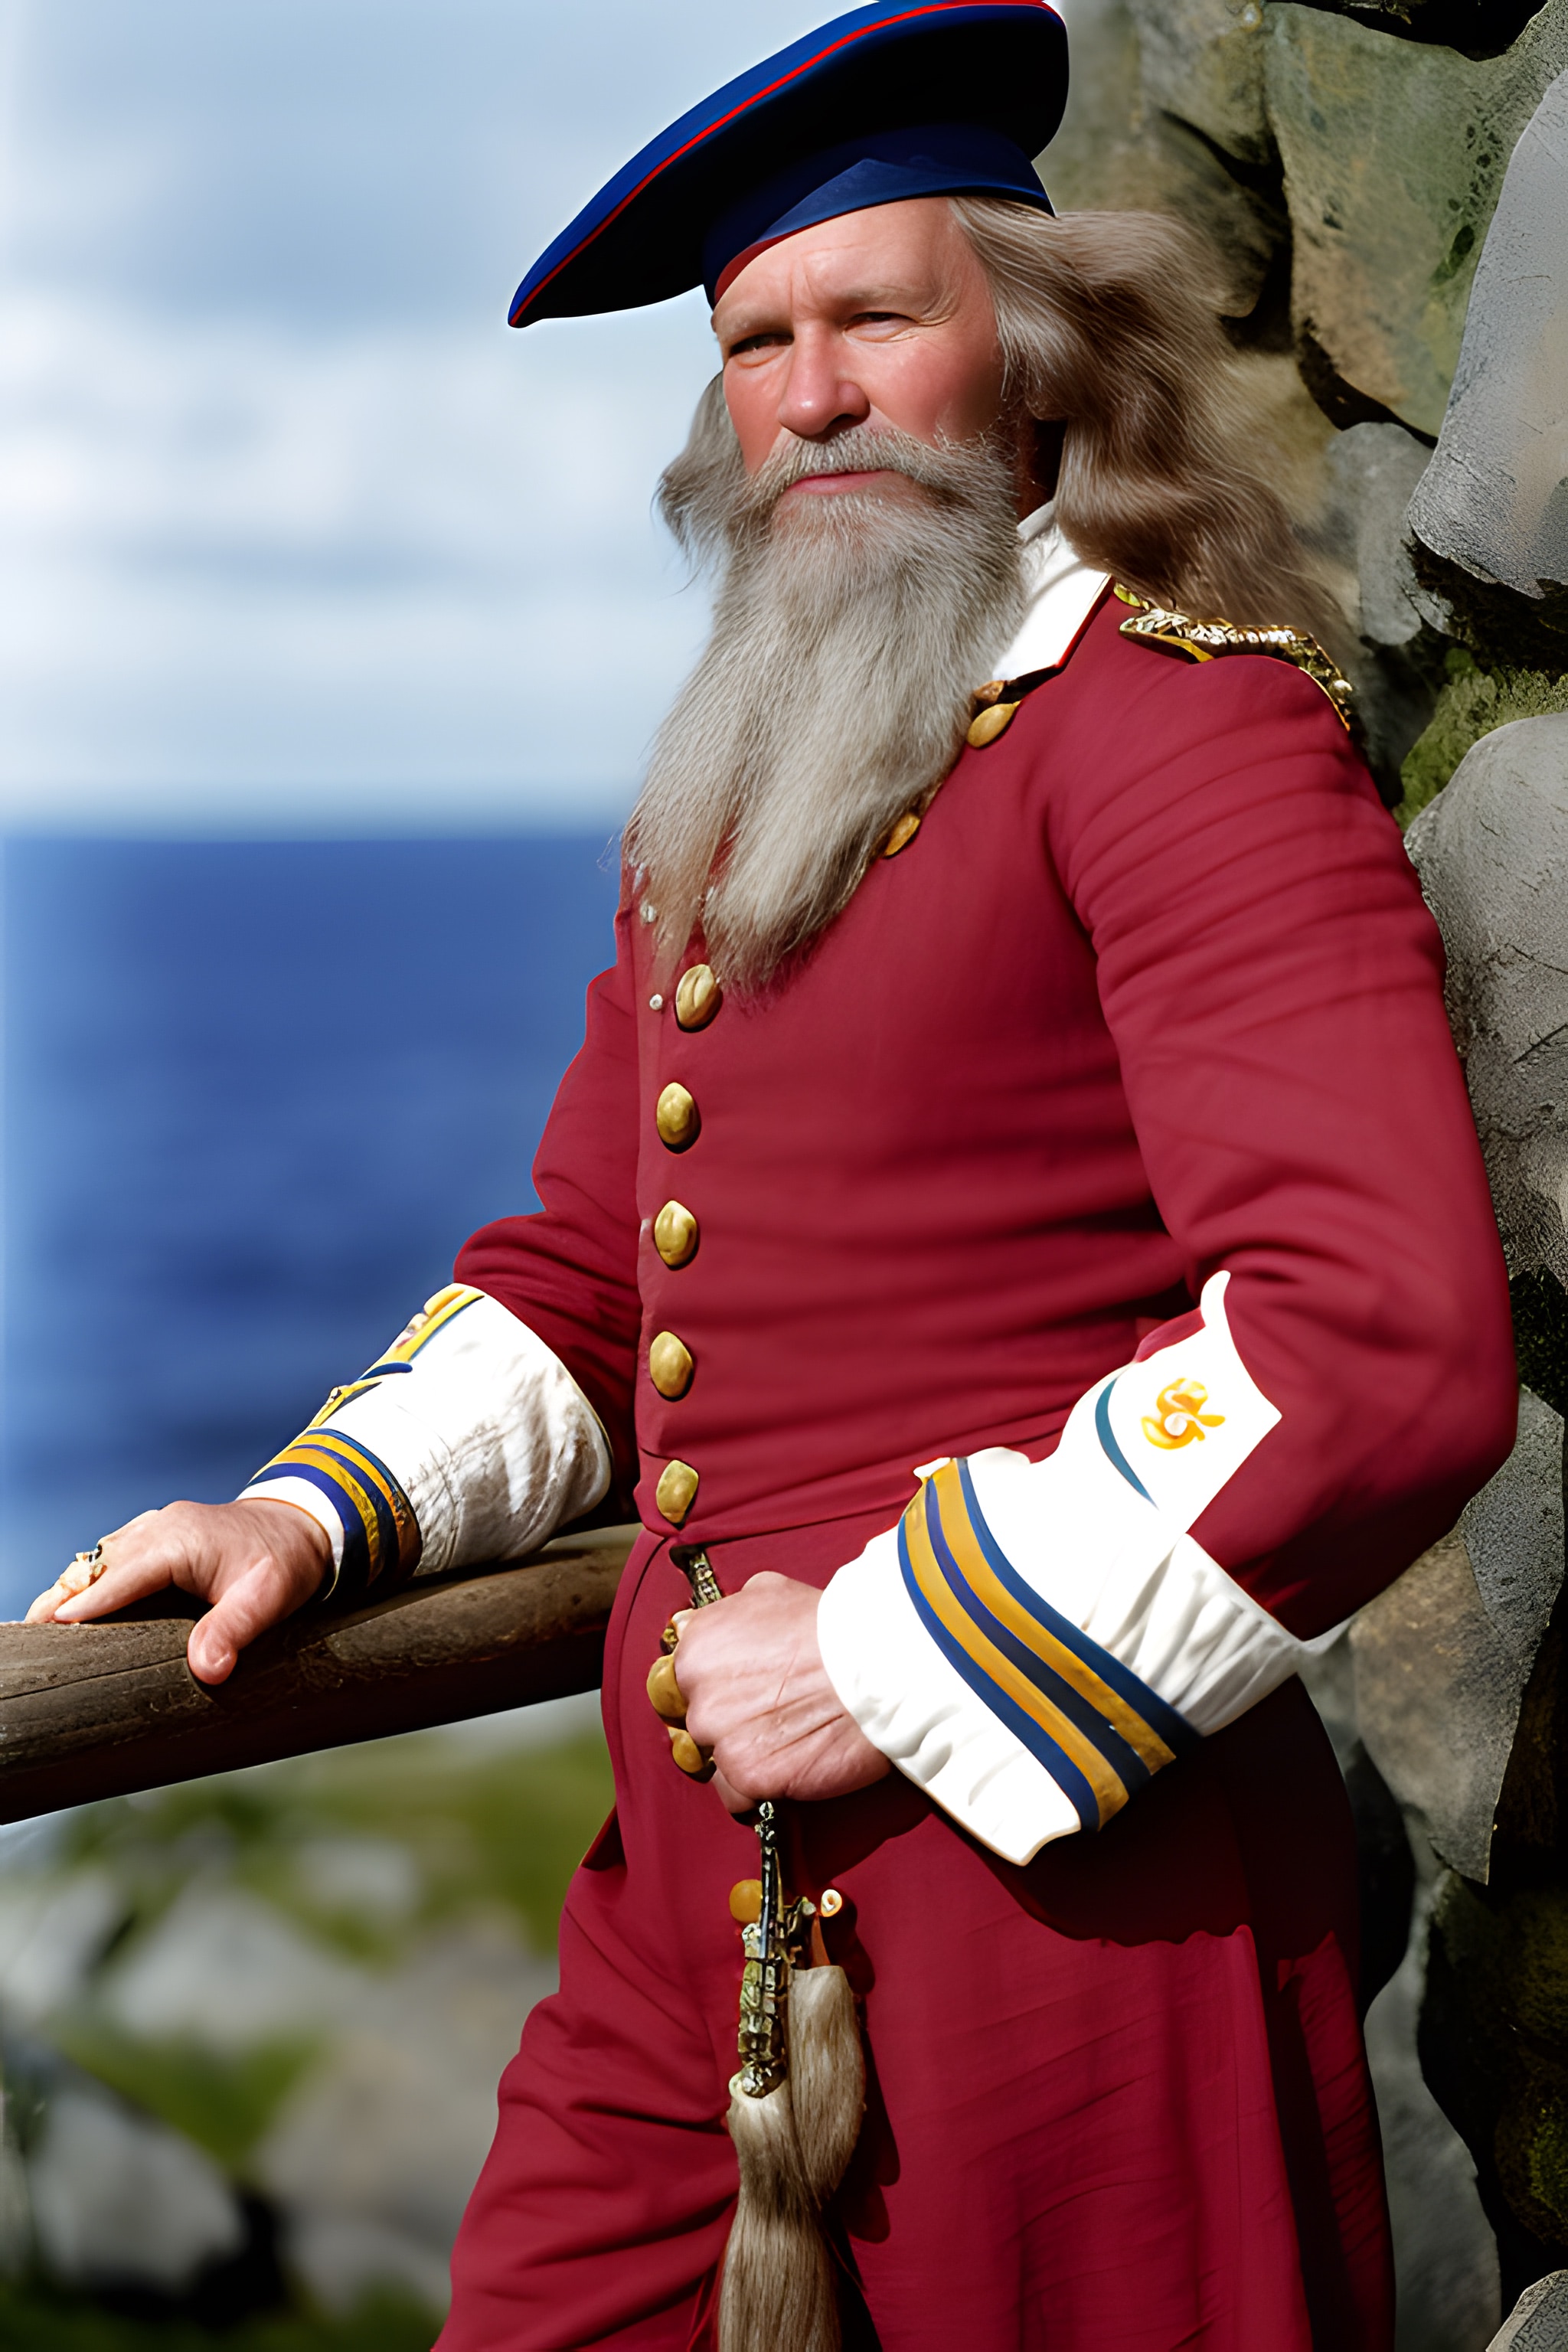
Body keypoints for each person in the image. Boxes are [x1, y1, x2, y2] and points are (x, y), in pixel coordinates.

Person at [30, 4, 1517, 2345]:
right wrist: (307, 1520)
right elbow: (587, 1282)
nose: (810, 393)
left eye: (874, 321)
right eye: (755, 345)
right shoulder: (728, 793)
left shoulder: (1183, 726)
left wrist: (887, 1653)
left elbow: (1382, 1339)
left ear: (1031, 354)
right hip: (681, 1924)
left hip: (1067, 1916)